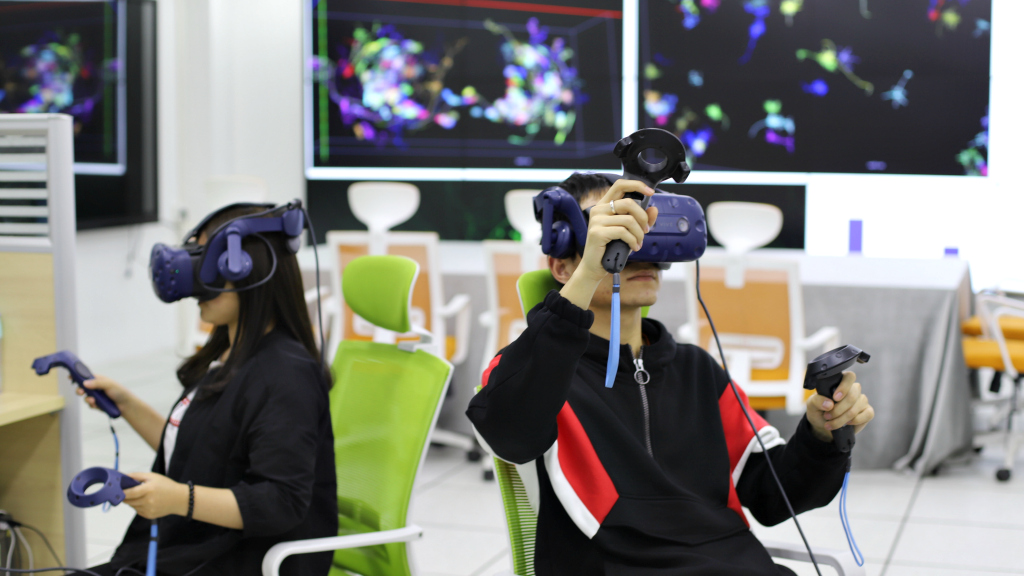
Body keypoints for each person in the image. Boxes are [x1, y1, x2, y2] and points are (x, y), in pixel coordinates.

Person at [467, 173, 876, 575]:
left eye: (647, 228)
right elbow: (509, 433)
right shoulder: (538, 372)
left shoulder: (697, 370)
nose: (641, 249)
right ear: (562, 265)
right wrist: (590, 273)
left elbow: (773, 498)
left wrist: (820, 436)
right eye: (616, 233)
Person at [73, 205, 337, 576]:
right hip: (197, 549)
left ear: (249, 269)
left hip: (241, 561)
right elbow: (198, 452)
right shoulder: (230, 354)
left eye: (205, 262)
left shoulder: (286, 374)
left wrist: (179, 498)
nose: (193, 280)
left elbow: (281, 501)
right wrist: (127, 404)